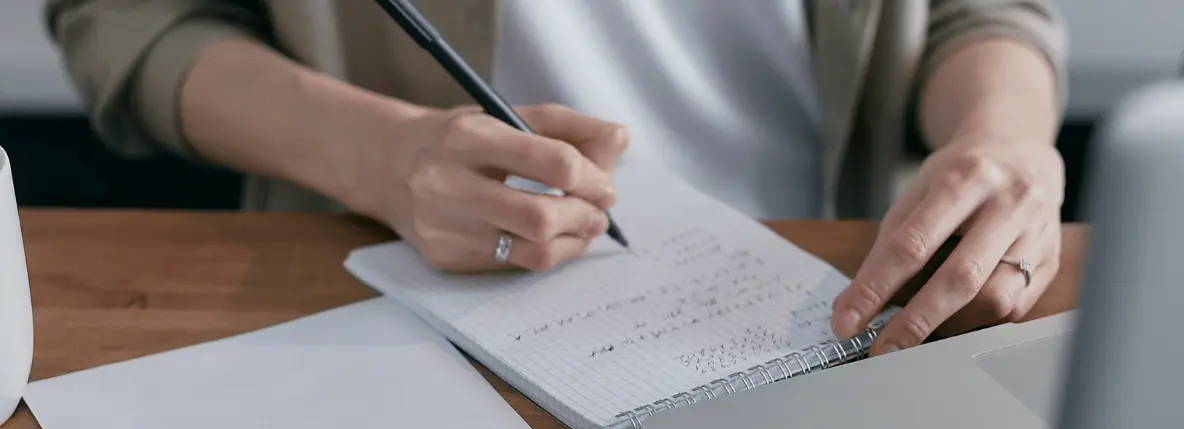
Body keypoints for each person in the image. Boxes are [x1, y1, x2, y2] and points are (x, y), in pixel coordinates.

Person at [44, 0, 1067, 355]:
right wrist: (382, 152)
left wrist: (1006, 138)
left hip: (842, 290)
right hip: (400, 297)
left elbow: (982, 15)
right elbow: (125, 21)